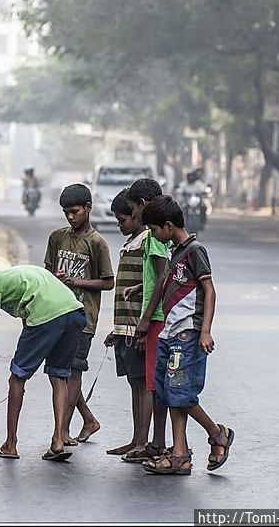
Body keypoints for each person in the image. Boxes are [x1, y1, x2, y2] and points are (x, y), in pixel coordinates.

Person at [0, 255, 86, 462]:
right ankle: (57, 441)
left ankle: (10, 444)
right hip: (75, 313)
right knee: (59, 376)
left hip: (47, 317)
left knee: (17, 378)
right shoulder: (16, 273)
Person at [139, 195, 234, 475]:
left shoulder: (195, 250)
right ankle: (180, 454)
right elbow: (166, 287)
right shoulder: (174, 251)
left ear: (168, 226)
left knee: (181, 391)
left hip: (188, 334)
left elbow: (209, 290)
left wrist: (205, 331)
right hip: (169, 333)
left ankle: (217, 433)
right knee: (170, 393)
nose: (155, 235)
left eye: (155, 230)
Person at [43, 183, 113, 446]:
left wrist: (76, 282)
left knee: (72, 372)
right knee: (61, 373)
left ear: (88, 208)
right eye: (65, 213)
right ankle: (87, 420)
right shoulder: (57, 237)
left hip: (82, 318)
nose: (70, 217)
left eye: (74, 211)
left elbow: (108, 282)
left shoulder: (97, 243)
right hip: (55, 315)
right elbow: (47, 272)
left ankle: (61, 431)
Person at [120, 177, 171, 462]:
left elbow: (163, 276)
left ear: (142, 205)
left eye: (133, 210)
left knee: (155, 383)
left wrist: (146, 318)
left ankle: (158, 443)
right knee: (154, 382)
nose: (136, 217)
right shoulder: (155, 234)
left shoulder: (155, 236)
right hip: (156, 315)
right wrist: (141, 287)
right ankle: (155, 442)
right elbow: (157, 277)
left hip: (158, 318)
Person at [102, 189, 149, 460]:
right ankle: (136, 439)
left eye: (123, 220)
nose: (119, 226)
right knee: (134, 382)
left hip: (138, 329)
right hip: (125, 329)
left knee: (142, 384)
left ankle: (143, 442)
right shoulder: (132, 241)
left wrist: (140, 327)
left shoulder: (146, 241)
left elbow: (152, 285)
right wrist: (117, 329)